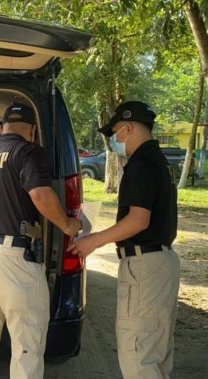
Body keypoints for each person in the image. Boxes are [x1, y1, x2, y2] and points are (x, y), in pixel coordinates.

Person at [0, 103, 82, 378]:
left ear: (2, 129)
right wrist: (67, 225)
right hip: (13, 256)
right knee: (27, 341)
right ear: (33, 130)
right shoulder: (28, 151)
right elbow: (39, 194)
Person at [68, 101, 180, 379]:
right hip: (162, 263)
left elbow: (138, 219)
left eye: (114, 133)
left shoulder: (141, 164)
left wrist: (95, 240)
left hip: (145, 266)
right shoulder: (159, 161)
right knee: (156, 354)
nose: (113, 141)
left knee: (139, 356)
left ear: (128, 129)